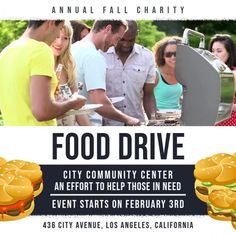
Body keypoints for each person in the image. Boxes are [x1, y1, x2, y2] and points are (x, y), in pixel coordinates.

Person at [0, 20, 86, 126]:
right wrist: (73, 103)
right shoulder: (41, 50)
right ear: (51, 22)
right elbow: (42, 112)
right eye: (59, 29)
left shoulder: (6, 52)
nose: (58, 36)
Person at [71, 20, 140, 126]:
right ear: (108, 29)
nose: (115, 44)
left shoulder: (73, 48)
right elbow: (99, 101)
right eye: (117, 38)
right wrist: (128, 119)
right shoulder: (94, 56)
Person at [101, 20, 156, 126]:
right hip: (106, 123)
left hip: (136, 123)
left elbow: (148, 94)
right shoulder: (101, 54)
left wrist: (154, 121)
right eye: (122, 40)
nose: (126, 44)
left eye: (131, 40)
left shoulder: (147, 57)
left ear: (137, 34)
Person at [51, 21, 90, 126]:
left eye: (65, 38)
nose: (60, 42)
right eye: (56, 37)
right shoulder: (40, 68)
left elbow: (77, 108)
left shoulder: (67, 66)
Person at [209, 34, 236, 126]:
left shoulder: (234, 74)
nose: (214, 54)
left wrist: (227, 106)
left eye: (219, 51)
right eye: (212, 51)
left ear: (229, 52)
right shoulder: (210, 72)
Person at [152, 36, 183, 110]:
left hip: (178, 117)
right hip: (159, 118)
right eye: (168, 54)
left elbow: (175, 97)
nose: (173, 57)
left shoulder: (182, 74)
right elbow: (143, 99)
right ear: (162, 56)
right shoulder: (155, 74)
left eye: (176, 54)